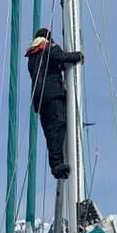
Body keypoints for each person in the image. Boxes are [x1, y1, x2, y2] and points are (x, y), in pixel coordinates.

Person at [25, 27, 84, 179]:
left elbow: (48, 66)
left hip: (39, 99)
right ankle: (57, 164)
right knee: (58, 126)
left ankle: (57, 163)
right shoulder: (47, 46)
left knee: (50, 131)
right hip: (52, 94)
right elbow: (58, 56)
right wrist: (77, 56)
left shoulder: (33, 55)